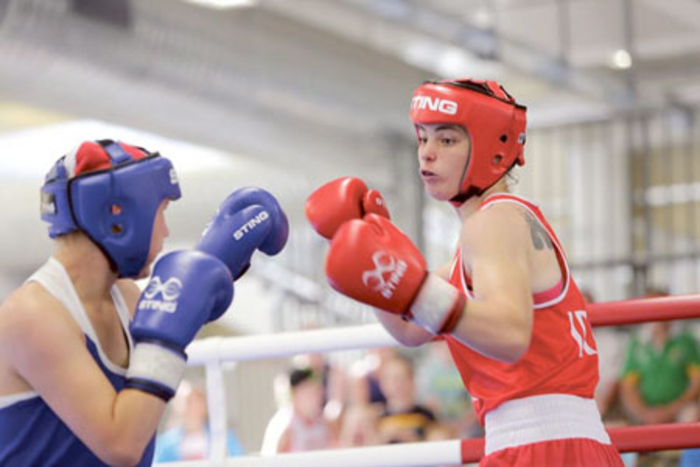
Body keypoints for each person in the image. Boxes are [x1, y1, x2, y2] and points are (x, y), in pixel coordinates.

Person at [306, 79, 624, 466]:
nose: (426, 154)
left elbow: (509, 334)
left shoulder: (494, 223)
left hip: (545, 446)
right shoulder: (482, 241)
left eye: (447, 140)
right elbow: (408, 330)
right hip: (545, 444)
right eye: (422, 138)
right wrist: (367, 258)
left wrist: (417, 291)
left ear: (491, 145)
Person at [0, 140, 288, 466]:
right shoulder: (32, 316)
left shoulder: (124, 296)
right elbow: (122, 445)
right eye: (161, 210)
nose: (166, 231)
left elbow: (174, 325)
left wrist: (212, 264)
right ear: (119, 214)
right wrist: (178, 302)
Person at [154, 379, 245, 461]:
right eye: (182, 401)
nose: (188, 407)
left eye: (192, 401)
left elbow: (239, 461)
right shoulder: (167, 443)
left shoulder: (222, 437)